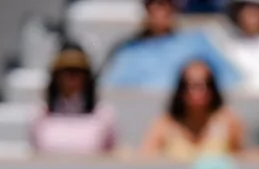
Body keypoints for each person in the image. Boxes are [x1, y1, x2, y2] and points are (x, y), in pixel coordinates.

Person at [102, 0, 233, 94]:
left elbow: (232, 80)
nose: (159, 11)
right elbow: (110, 91)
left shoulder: (197, 42)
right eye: (153, 4)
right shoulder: (128, 50)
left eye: (166, 4)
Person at [141, 57, 244, 158]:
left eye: (207, 84)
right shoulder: (165, 124)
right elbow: (146, 158)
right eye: (192, 85)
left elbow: (242, 158)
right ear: (181, 90)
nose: (200, 91)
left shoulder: (228, 122)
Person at [33, 43, 117, 154]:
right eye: (65, 72)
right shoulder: (40, 114)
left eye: (77, 72)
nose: (71, 78)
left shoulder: (104, 115)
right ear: (55, 76)